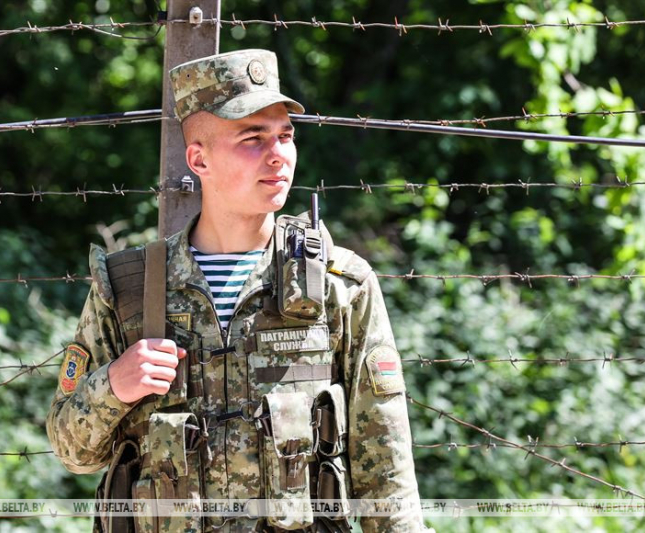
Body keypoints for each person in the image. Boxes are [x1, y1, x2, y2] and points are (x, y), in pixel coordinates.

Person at [47, 49, 431, 532]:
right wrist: (115, 386)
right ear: (199, 158)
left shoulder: (339, 284)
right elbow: (73, 452)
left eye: (285, 136)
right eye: (253, 138)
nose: (278, 154)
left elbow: (386, 470)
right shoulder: (129, 287)